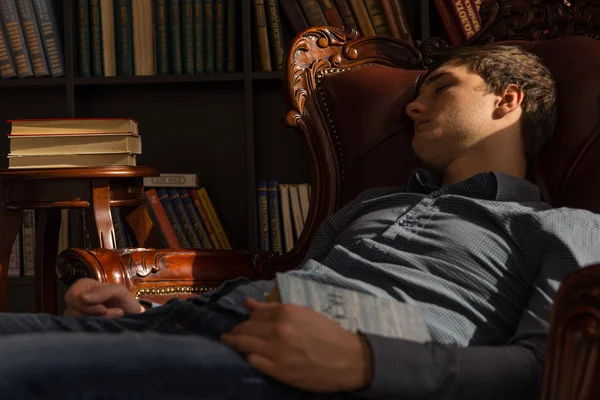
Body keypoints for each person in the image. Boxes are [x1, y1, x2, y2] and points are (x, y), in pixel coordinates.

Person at [1, 43, 599, 400]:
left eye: (439, 88)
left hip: (290, 367)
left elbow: (552, 368)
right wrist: (142, 310)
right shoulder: (368, 206)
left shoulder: (567, 227)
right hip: (191, 322)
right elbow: (299, 279)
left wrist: (367, 364)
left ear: (508, 100)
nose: (412, 107)